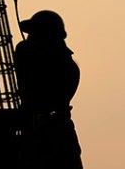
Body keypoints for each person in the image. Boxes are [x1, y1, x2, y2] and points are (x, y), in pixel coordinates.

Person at [14, 10, 82, 169]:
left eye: (34, 34)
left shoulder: (65, 68)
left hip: (47, 135)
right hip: (46, 131)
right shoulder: (68, 66)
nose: (29, 39)